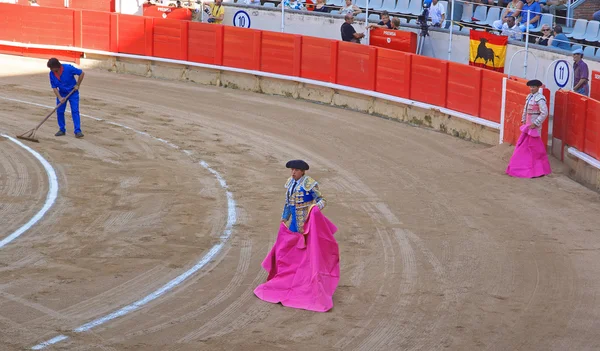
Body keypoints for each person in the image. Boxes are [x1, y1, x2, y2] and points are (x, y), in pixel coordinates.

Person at [254, 160, 340, 312]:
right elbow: (288, 204)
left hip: (307, 224)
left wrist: (314, 209)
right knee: (290, 250)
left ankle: (306, 279)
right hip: (294, 223)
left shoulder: (309, 183)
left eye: (295, 170)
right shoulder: (289, 183)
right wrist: (284, 218)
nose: (293, 172)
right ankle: (289, 275)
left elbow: (322, 200)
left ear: (302, 172)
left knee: (307, 252)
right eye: (292, 170)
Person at [506, 79, 552, 178]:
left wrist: (536, 123)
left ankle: (536, 170)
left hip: (535, 127)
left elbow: (544, 113)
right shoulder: (529, 97)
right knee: (525, 146)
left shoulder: (540, 98)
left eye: (533, 87)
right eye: (530, 87)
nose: (531, 89)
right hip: (528, 125)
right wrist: (523, 120)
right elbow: (525, 110)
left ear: (538, 87)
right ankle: (528, 168)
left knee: (534, 148)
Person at [47, 58, 85, 138]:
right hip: (62, 93)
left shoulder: (68, 68)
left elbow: (81, 73)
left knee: (75, 111)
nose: (51, 70)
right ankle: (62, 129)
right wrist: (60, 97)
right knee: (60, 111)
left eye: (52, 68)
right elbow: (54, 88)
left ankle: (77, 131)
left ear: (57, 66)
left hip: (73, 92)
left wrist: (78, 85)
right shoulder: (51, 74)